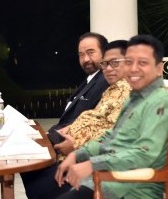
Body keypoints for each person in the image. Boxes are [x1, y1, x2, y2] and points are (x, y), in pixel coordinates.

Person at [55, 34, 168, 199]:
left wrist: (92, 164)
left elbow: (145, 154)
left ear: (159, 68)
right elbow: (111, 138)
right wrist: (77, 154)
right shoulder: (134, 98)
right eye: (128, 62)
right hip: (107, 180)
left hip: (133, 189)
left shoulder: (160, 102)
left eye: (142, 62)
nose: (133, 69)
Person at [21, 40, 131, 198]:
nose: (108, 69)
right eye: (105, 64)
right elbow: (97, 121)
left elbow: (116, 136)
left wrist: (78, 148)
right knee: (30, 171)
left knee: (35, 178)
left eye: (115, 63)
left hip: (94, 165)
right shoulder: (113, 89)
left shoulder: (130, 92)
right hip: (74, 154)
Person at [49, 32, 110, 132]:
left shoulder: (105, 80)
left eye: (91, 53)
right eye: (81, 54)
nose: (86, 59)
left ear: (104, 53)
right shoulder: (90, 79)